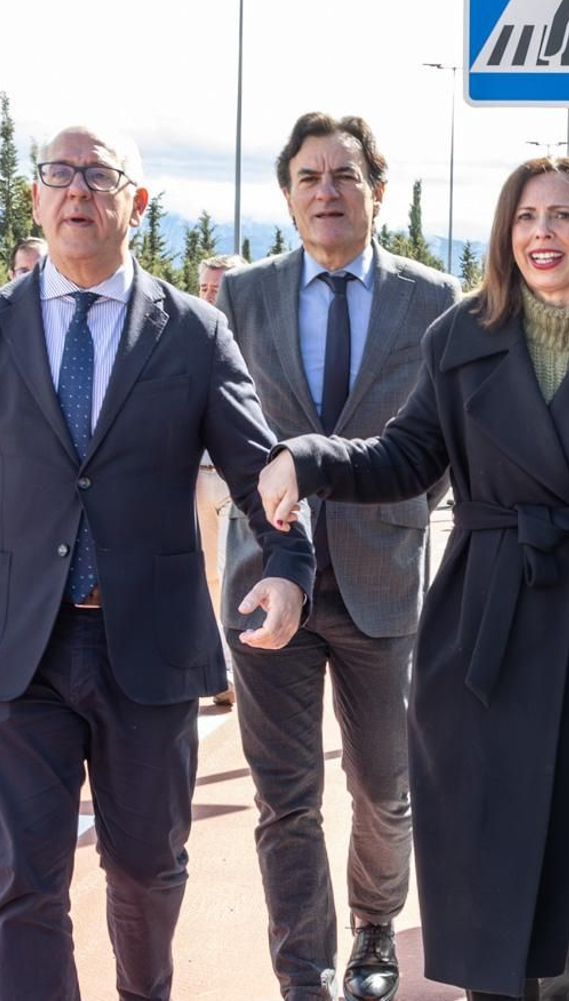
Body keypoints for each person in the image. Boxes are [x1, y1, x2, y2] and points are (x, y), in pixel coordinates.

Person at [0, 124, 315, 1001]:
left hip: (147, 652)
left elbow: (258, 466)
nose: (76, 190)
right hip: (16, 652)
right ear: (37, 198)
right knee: (24, 885)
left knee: (150, 871)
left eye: (98, 175)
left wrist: (290, 564)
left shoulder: (193, 333)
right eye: (57, 174)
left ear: (137, 204)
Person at [258, 155, 569, 1000]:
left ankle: (558, 982)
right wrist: (310, 457)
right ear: (507, 232)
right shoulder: (461, 336)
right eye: (527, 217)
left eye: (563, 216)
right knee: (479, 844)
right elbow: (404, 457)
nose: (543, 233)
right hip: (482, 620)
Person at [216, 112, 458, 1001]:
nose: (327, 192)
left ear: (376, 193)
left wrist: (397, 515)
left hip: (382, 580)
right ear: (288, 195)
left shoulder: (433, 301)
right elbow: (232, 436)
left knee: (384, 788)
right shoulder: (240, 298)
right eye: (310, 177)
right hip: (265, 581)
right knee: (285, 799)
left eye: (345, 176)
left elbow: (442, 450)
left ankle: (372, 928)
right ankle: (304, 973)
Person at [195, 252, 248, 706]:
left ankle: (236, 666)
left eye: (221, 287)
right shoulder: (187, 338)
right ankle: (216, 662)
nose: (213, 296)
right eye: (206, 288)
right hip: (196, 479)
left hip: (238, 483)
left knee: (235, 574)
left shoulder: (255, 344)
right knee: (206, 576)